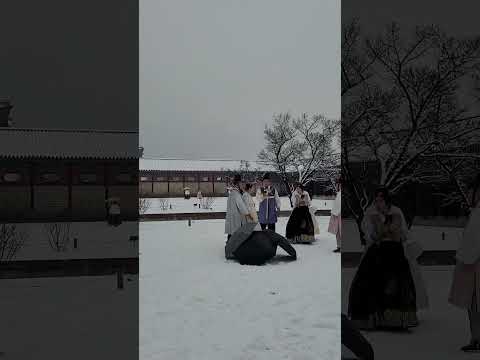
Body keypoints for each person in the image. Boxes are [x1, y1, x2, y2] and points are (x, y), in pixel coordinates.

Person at [348, 187, 417, 331]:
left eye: (381, 199)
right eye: (377, 199)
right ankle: (373, 318)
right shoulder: (371, 213)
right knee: (371, 282)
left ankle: (394, 319)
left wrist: (394, 234)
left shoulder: (396, 212)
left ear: (387, 199)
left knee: (395, 284)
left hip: (395, 252)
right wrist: (376, 233)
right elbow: (368, 232)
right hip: (377, 251)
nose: (378, 202)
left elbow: (403, 233)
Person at [449, 175, 480, 352]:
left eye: (470, 192)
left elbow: (472, 242)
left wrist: (463, 258)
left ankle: (477, 338)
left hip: (474, 265)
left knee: (474, 302)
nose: (468, 195)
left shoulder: (478, 213)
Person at [225, 174, 252, 240]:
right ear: (238, 184)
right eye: (240, 183)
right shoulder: (236, 194)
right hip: (236, 217)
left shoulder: (231, 193)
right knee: (235, 232)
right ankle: (232, 246)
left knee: (231, 232)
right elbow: (241, 206)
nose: (241, 185)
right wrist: (247, 214)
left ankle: (229, 244)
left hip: (231, 216)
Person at [329, 179, 341, 253]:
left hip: (339, 214)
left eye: (338, 184)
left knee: (340, 231)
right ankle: (339, 246)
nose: (337, 186)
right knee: (338, 231)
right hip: (337, 214)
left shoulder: (341, 193)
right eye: (337, 184)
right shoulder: (339, 193)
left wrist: (335, 212)